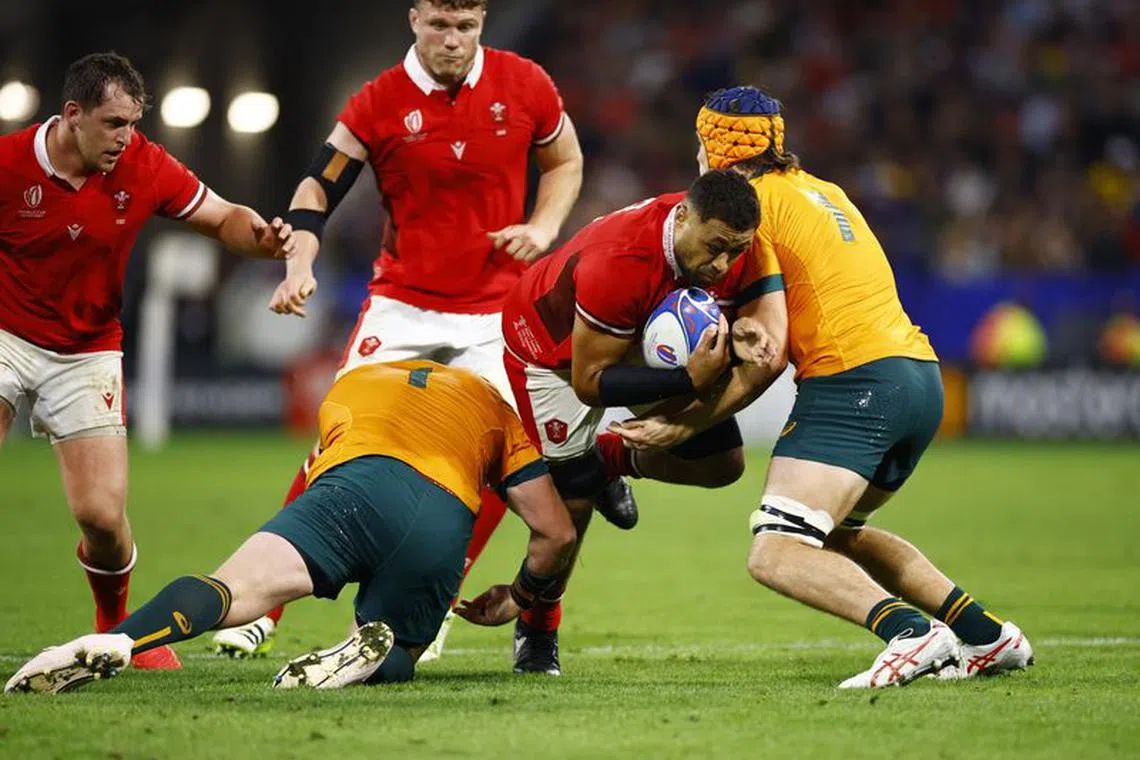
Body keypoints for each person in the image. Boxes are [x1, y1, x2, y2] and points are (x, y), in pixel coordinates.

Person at [610, 87, 1034, 687]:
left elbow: (768, 353)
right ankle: (987, 638)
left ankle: (910, 634)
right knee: (838, 533)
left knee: (776, 548)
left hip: (854, 381)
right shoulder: (824, 191)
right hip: (918, 377)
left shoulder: (745, 210)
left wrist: (688, 421)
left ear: (713, 147)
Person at [211, 0, 592, 660]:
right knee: (335, 443)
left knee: (505, 461)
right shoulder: (378, 101)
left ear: (482, 24)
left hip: (494, 309)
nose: (453, 41)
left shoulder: (524, 83)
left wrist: (542, 228)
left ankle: (435, 600)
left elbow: (565, 161)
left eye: (466, 27)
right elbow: (317, 189)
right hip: (402, 303)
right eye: (440, 25)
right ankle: (263, 610)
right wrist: (300, 260)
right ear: (414, 19)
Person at [5, 361, 576, 694]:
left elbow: (316, 463)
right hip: (436, 513)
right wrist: (518, 597)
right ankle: (367, 656)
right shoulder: (496, 410)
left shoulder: (354, 382)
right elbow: (554, 531)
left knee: (230, 588)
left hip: (347, 489)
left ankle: (118, 639)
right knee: (402, 643)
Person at [0, 52, 297, 671]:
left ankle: (115, 626)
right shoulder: (7, 166)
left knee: (102, 518)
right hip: (6, 333)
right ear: (72, 114)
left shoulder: (143, 165)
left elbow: (222, 217)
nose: (125, 138)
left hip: (87, 349)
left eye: (133, 123)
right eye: (113, 123)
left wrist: (263, 241)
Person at [484, 169, 763, 674]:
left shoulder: (706, 227)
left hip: (628, 334)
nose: (723, 264)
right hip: (549, 352)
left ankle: (610, 459)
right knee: (571, 508)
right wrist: (686, 379)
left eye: (735, 252)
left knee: (723, 463)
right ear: (683, 217)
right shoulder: (622, 262)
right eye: (716, 247)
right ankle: (538, 631)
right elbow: (590, 381)